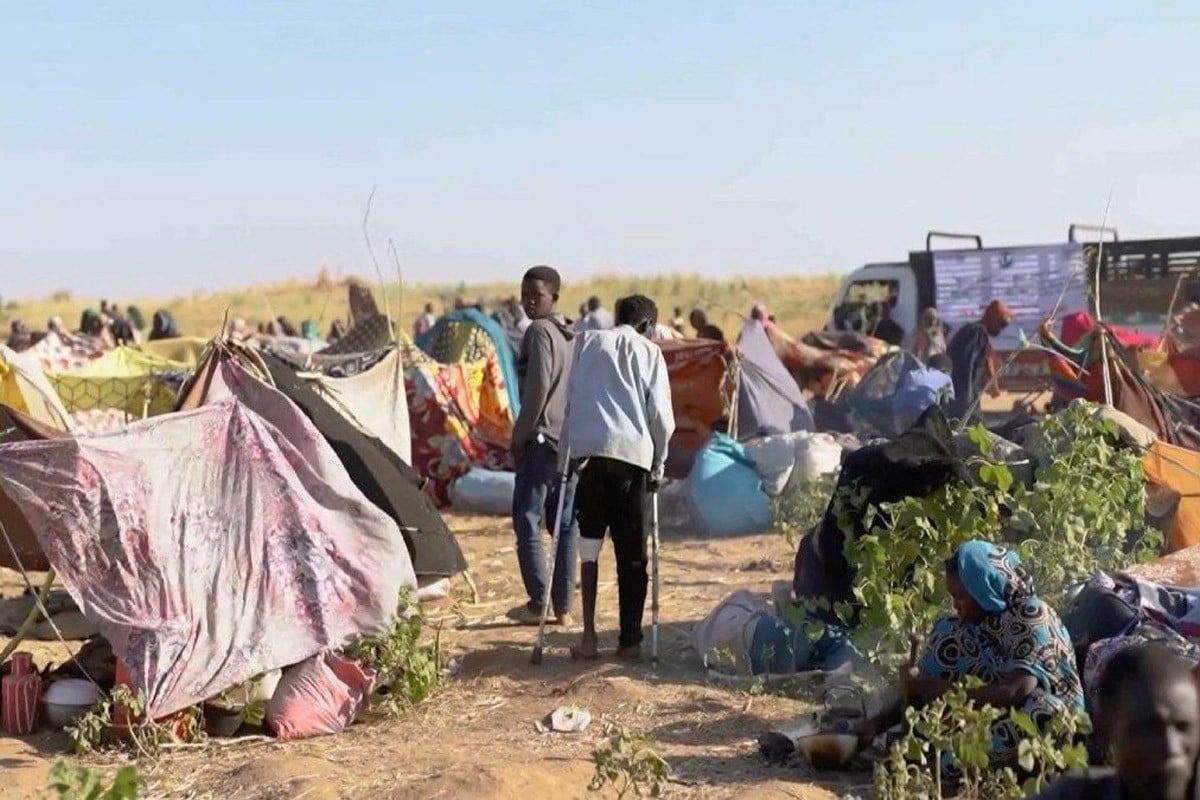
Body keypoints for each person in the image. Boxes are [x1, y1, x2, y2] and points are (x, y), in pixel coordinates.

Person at [857, 541, 1084, 767]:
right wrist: (877, 724)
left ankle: (950, 764)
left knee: (1042, 711)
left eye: (961, 597)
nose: (956, 605)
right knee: (949, 632)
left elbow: (1014, 692)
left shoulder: (1032, 615)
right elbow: (929, 679)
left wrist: (929, 686)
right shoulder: (992, 618)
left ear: (983, 590)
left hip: (1052, 721)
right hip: (1002, 707)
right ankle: (927, 742)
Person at [560, 294, 676, 660]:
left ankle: (590, 637)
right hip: (631, 459)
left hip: (590, 457)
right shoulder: (649, 351)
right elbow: (660, 417)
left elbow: (573, 399)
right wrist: (659, 463)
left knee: (589, 550)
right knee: (632, 555)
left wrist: (567, 456)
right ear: (647, 325)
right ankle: (629, 641)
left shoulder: (588, 342)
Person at [1031, 644, 1200, 800]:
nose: (1171, 747)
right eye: (1149, 729)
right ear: (1106, 731)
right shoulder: (1075, 794)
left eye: (1183, 727)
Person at [508, 266, 578, 627]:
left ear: (554, 297)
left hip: (540, 439)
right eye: (525, 295)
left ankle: (540, 601)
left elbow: (536, 392)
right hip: (566, 441)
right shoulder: (571, 335)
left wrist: (518, 436)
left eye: (537, 296)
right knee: (564, 525)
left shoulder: (539, 332)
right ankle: (564, 605)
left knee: (528, 519)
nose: (529, 302)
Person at [945, 300, 1012, 422]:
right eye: (1000, 324)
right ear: (993, 318)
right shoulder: (977, 332)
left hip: (964, 397)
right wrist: (965, 402)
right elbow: (966, 366)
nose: (1000, 330)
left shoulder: (976, 331)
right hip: (962, 399)